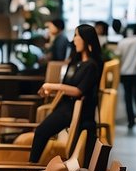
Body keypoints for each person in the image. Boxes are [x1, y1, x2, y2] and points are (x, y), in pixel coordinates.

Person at [28, 23, 103, 163]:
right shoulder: (75, 62)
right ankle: (31, 167)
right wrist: (51, 90)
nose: (74, 39)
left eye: (76, 36)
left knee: (41, 131)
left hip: (74, 109)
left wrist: (52, 85)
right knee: (41, 131)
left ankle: (30, 168)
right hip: (65, 106)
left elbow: (78, 91)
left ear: (86, 39)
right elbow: (68, 86)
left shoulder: (92, 65)